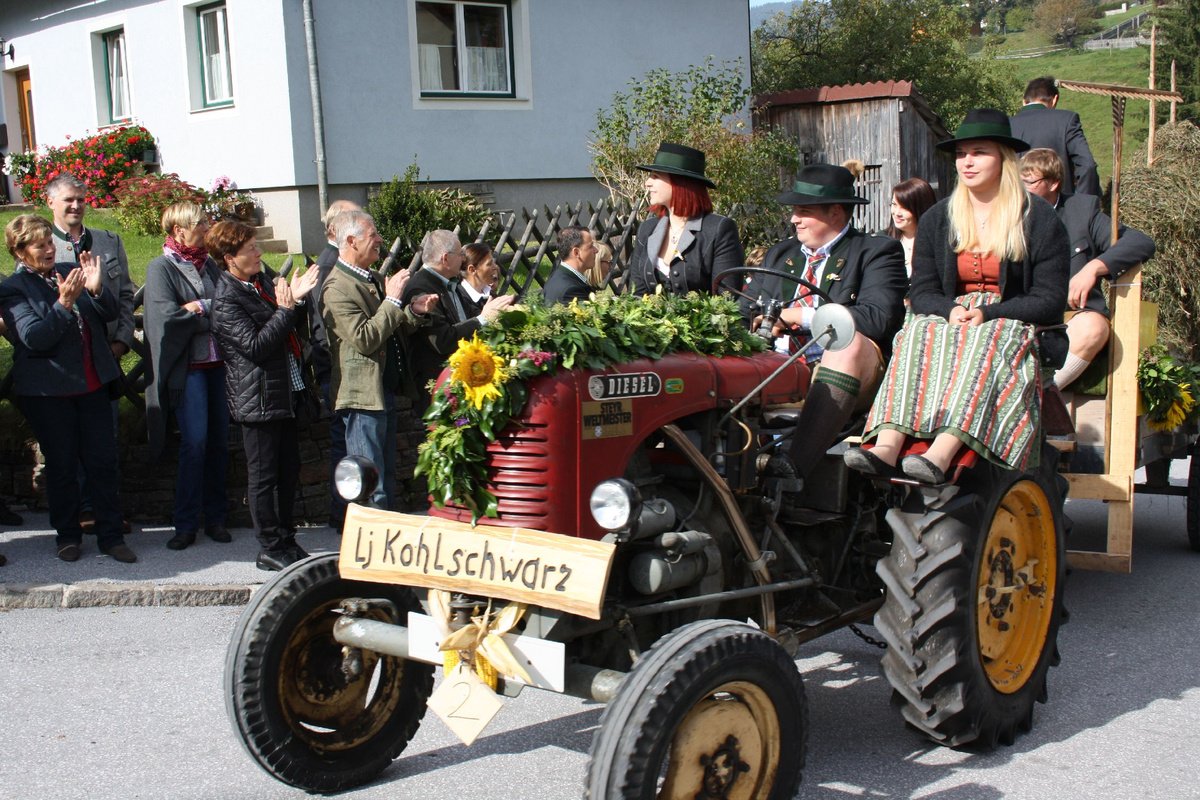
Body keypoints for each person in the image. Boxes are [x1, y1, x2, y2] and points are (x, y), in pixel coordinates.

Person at [846, 109, 1069, 484]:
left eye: (979, 153)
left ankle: (942, 451)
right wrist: (949, 310)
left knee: (988, 337)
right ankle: (886, 443)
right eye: (962, 154)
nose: (967, 162)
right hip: (951, 316)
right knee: (916, 331)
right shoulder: (939, 217)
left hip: (1014, 321)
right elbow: (922, 290)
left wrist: (989, 313)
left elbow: (1049, 299)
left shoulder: (1039, 218)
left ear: (1003, 158)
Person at [747, 164, 908, 486]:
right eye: (794, 210)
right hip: (776, 364)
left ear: (835, 212)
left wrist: (801, 316)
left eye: (804, 211)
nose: (794, 219)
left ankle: (793, 463)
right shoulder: (780, 254)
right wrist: (758, 323)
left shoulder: (876, 251)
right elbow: (744, 309)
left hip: (848, 368)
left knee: (847, 343)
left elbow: (878, 318)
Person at [0, 215, 136, 563]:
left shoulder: (67, 269)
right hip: (49, 393)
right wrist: (63, 304)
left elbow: (106, 313)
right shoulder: (14, 289)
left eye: (49, 242)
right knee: (62, 466)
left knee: (102, 462)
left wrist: (97, 289)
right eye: (39, 245)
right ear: (19, 251)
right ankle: (68, 536)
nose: (49, 249)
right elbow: (34, 338)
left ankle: (111, 536)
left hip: (92, 384)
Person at [209, 220, 321, 570]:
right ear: (230, 258)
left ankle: (286, 538)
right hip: (256, 400)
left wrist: (296, 302)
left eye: (256, 246)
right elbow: (256, 347)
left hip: (283, 393)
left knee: (289, 471)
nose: (258, 253)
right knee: (263, 477)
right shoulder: (226, 299)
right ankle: (269, 546)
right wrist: (286, 309)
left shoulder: (259, 284)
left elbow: (288, 328)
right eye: (251, 249)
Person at [322, 210, 438, 509]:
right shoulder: (336, 288)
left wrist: (413, 311)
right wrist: (393, 300)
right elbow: (365, 338)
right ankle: (369, 536)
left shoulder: (370, 277)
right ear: (351, 241)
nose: (379, 240)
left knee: (384, 477)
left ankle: (384, 534)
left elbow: (390, 328)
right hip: (362, 398)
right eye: (373, 234)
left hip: (381, 391)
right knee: (369, 484)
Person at [1019, 148, 1155, 390]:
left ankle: (1039, 394)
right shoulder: (1005, 214)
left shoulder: (1082, 211)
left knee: (1093, 327)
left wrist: (1093, 268)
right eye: (1018, 182)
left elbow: (1139, 242)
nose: (1022, 189)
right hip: (1019, 319)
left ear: (1053, 183)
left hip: (1067, 321)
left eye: (1029, 182)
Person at [45, 172, 136, 534]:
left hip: (104, 359)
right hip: (63, 365)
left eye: (81, 199)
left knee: (104, 441)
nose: (76, 205)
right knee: (70, 444)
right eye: (68, 199)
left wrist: (123, 341)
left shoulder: (108, 242)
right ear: (50, 202)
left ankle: (107, 509)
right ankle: (82, 509)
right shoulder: (41, 245)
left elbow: (126, 295)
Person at [143, 201, 231, 550]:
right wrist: (205, 313)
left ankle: (217, 518)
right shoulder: (161, 267)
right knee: (195, 444)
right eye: (201, 224)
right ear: (179, 231)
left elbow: (228, 308)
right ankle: (186, 523)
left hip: (218, 366)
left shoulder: (211, 265)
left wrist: (199, 308)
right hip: (188, 370)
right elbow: (167, 318)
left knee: (219, 443)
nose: (208, 228)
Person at [401, 230, 513, 413]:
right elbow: (442, 340)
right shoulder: (422, 288)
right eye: (460, 254)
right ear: (445, 258)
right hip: (436, 390)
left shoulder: (447, 282)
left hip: (454, 383)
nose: (463, 259)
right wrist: (483, 319)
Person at [628, 142, 744, 296]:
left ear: (680, 183)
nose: (647, 183)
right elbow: (635, 293)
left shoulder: (718, 229)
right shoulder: (647, 229)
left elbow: (726, 298)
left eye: (655, 176)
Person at [309, 199, 360, 530]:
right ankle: (342, 514)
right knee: (344, 444)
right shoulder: (330, 264)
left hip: (334, 365)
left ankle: (343, 513)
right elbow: (326, 324)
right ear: (334, 229)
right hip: (335, 365)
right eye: (352, 218)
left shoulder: (332, 260)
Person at [1009, 76, 1101, 197]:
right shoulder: (1066, 120)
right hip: (1058, 204)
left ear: (1024, 101)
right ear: (1054, 99)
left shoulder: (1006, 125)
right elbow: (1087, 166)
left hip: (1014, 203)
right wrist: (1083, 203)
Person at [886, 177, 937, 277]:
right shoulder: (881, 241)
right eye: (894, 204)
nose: (897, 213)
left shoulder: (938, 245)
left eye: (904, 207)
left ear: (921, 208)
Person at [543, 226, 598, 305]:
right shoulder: (571, 290)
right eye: (591, 246)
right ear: (576, 252)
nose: (596, 250)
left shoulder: (556, 277)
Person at [459, 242, 500, 316]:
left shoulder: (489, 292)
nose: (495, 267)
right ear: (472, 270)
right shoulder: (461, 300)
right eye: (489, 264)